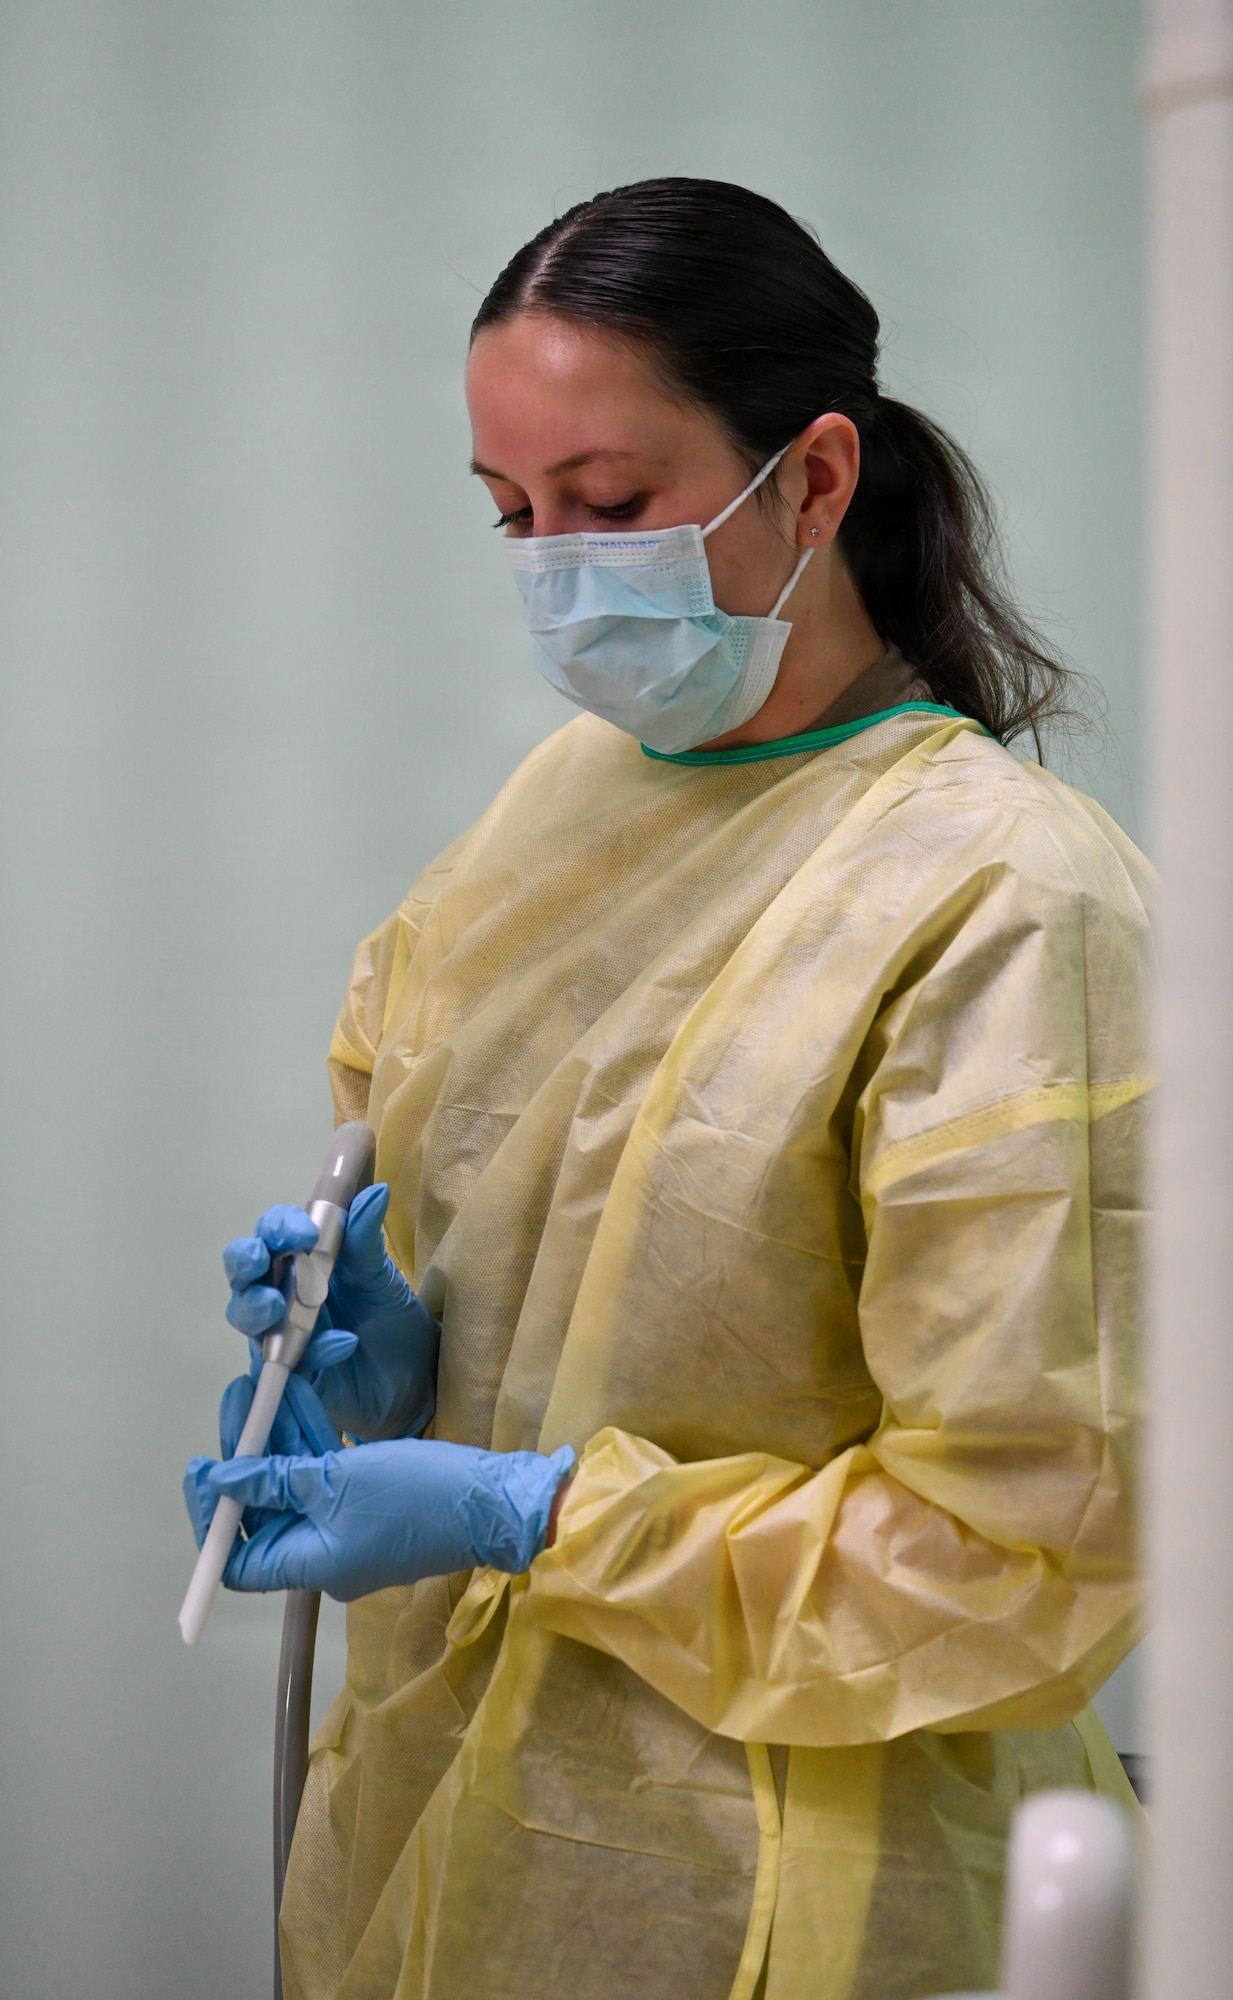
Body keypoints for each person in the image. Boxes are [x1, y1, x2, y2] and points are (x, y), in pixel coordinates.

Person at [185, 178, 1149, 2000]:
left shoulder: (1009, 898)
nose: (559, 565)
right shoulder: (555, 815)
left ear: (818, 478)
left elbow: (1025, 1548)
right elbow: (564, 1270)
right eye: (513, 514)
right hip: (439, 1843)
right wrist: (394, 1352)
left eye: (612, 506)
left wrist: (531, 1514)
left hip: (800, 1892)